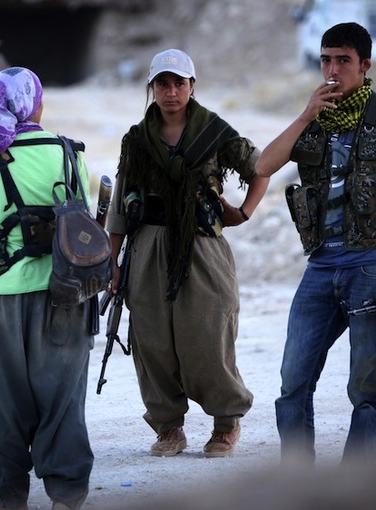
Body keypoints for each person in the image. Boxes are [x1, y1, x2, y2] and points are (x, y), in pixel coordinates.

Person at [255, 22, 376, 465]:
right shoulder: (314, 120)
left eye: (343, 60)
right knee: (293, 381)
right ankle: (298, 484)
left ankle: (355, 487)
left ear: (364, 66)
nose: (332, 69)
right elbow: (263, 165)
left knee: (365, 390)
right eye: (326, 59)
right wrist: (307, 114)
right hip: (321, 267)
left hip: (372, 266)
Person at [105, 49, 270, 458]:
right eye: (163, 83)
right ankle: (168, 428)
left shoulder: (214, 132)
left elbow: (261, 168)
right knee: (151, 340)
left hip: (202, 245)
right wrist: (111, 261)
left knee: (208, 334)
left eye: (179, 83)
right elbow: (119, 207)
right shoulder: (137, 140)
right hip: (147, 247)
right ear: (152, 88)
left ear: (192, 86)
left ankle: (225, 423)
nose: (171, 91)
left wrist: (244, 212)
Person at [0, 67, 94, 510]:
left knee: (2, 398)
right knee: (63, 396)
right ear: (36, 105)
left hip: (0, 299)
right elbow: (82, 227)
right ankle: (66, 496)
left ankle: (9, 493)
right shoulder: (68, 153)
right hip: (65, 294)